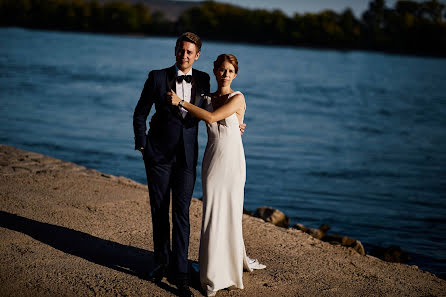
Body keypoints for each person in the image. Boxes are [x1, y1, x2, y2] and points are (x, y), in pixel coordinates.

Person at [168, 54, 265, 297]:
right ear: (214, 70)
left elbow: (211, 118)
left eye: (230, 71)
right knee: (212, 212)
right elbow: (195, 119)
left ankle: (227, 269)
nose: (225, 74)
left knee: (230, 212)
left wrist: (181, 102)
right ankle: (210, 267)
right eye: (221, 70)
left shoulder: (238, 97)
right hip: (212, 161)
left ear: (235, 74)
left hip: (232, 163)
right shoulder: (206, 98)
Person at [133, 32, 210, 297]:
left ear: (197, 55)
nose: (184, 55)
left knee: (182, 214)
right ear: (175, 51)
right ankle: (160, 263)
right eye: (181, 50)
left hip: (187, 158)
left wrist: (235, 120)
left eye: (189, 52)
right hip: (158, 156)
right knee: (159, 209)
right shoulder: (156, 76)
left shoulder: (204, 79)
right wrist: (143, 145)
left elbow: (211, 110)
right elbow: (140, 112)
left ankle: (180, 274)